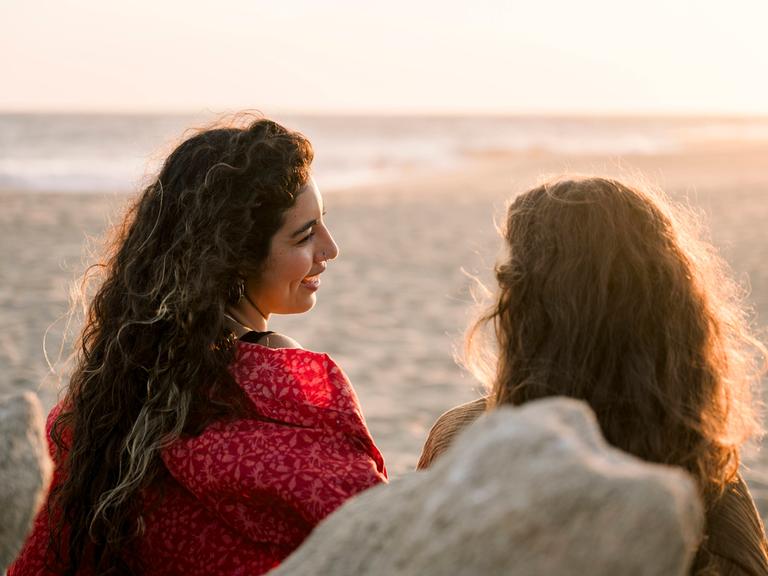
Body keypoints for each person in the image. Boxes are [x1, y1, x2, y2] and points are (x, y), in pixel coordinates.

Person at [10, 117, 386, 575]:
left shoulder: (87, 418)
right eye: (304, 235)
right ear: (234, 260)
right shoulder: (293, 392)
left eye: (323, 223)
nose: (331, 249)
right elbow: (377, 532)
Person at [418, 176, 768, 574]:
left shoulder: (461, 440)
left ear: (527, 310)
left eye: (507, 278)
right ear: (674, 314)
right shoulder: (707, 486)